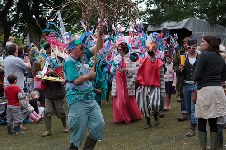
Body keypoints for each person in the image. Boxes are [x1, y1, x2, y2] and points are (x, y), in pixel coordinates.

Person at [64, 25, 105, 150]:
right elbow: (76, 81)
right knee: (77, 135)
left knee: (99, 125)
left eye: (83, 47)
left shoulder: (84, 56)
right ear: (73, 50)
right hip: (77, 101)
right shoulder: (69, 62)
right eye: (81, 48)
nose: (83, 49)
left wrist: (100, 34)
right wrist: (89, 76)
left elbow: (99, 47)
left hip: (90, 99)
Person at [194, 36, 226, 149]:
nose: (201, 43)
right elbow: (224, 76)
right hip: (218, 90)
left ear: (209, 44)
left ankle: (203, 148)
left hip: (206, 90)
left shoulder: (203, 55)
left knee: (202, 120)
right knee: (213, 120)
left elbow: (197, 75)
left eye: (203, 41)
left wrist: (195, 78)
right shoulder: (221, 57)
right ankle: (213, 147)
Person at [111, 42, 142, 124]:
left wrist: (127, 70)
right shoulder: (116, 58)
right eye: (118, 49)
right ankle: (120, 117)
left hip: (127, 81)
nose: (119, 51)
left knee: (128, 98)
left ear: (125, 49)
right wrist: (113, 70)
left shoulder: (131, 58)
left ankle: (131, 115)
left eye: (121, 49)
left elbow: (136, 69)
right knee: (118, 98)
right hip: (118, 81)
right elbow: (112, 69)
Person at [135, 44, 165, 129]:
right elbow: (137, 73)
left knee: (154, 104)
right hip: (144, 86)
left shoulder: (160, 63)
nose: (150, 52)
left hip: (155, 87)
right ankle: (148, 121)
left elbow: (162, 78)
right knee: (144, 105)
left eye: (152, 50)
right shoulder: (143, 61)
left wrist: (162, 91)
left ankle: (156, 116)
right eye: (149, 50)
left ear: (155, 51)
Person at [178, 40, 198, 137]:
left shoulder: (200, 57)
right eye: (189, 47)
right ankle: (193, 122)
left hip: (196, 85)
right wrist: (179, 69)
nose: (191, 49)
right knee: (188, 108)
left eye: (193, 48)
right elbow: (174, 68)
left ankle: (192, 126)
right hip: (185, 84)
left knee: (193, 106)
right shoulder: (183, 57)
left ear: (196, 47)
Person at [41, 71, 68, 137]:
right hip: (48, 95)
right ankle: (48, 130)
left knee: (60, 112)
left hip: (58, 95)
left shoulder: (58, 74)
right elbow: (43, 82)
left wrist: (55, 77)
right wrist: (46, 77)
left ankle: (65, 126)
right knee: (47, 112)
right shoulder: (46, 75)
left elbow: (63, 80)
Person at [173, 38, 189, 121]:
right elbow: (174, 66)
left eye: (187, 43)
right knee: (182, 96)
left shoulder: (196, 53)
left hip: (192, 78)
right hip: (182, 78)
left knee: (193, 97)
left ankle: (192, 113)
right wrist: (178, 68)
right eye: (184, 43)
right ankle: (184, 114)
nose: (186, 45)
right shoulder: (179, 53)